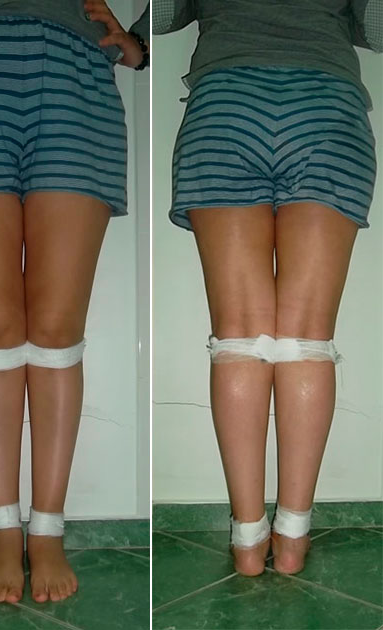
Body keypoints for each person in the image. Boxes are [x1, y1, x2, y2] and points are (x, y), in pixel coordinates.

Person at [0, 0, 149, 605]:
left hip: (76, 76)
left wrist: (142, 39)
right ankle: (2, 529)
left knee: (58, 331)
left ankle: (47, 528)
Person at [153, 0, 381, 577]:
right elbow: (379, 29)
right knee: (306, 341)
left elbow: (160, 15)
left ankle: (248, 542)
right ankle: (293, 539)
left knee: (239, 338)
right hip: (326, 105)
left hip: (226, 104)